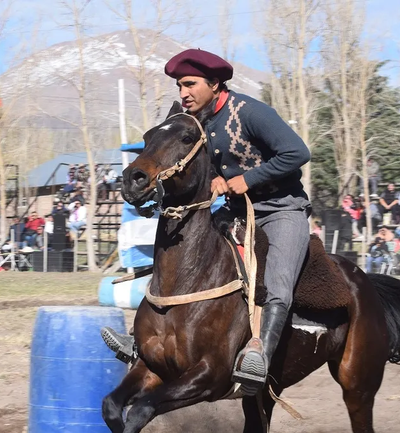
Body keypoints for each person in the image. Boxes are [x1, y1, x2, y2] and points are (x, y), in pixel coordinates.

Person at [102, 48, 312, 395]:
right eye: (179, 86)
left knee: (277, 281)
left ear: (214, 83)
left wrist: (249, 179)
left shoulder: (250, 112)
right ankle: (143, 342)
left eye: (190, 84)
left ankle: (258, 357)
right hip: (233, 210)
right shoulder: (198, 120)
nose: (183, 93)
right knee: (179, 259)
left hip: (280, 210)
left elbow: (297, 152)